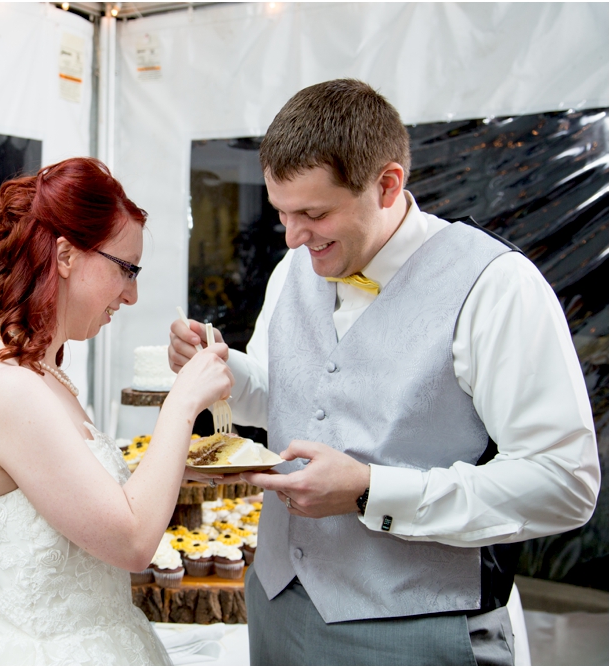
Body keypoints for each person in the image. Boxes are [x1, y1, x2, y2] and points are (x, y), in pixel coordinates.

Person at [169, 80, 600, 665]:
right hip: (276, 611)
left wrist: (374, 491)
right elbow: (290, 400)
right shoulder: (296, 266)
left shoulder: (497, 286)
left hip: (419, 629)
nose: (292, 237)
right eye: (282, 214)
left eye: (314, 213)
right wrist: (223, 373)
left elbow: (563, 483)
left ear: (388, 184)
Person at [0, 157, 233, 665]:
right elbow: (134, 541)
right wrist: (182, 401)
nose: (133, 295)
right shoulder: (12, 389)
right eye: (127, 269)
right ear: (66, 255)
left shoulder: (41, 373)